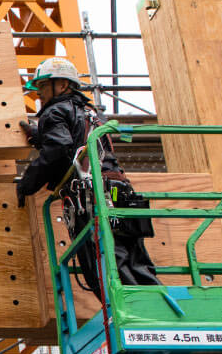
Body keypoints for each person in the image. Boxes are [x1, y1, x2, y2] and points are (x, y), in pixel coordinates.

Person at [15, 57, 159, 298]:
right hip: (118, 191)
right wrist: (39, 136)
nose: (38, 93)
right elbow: (78, 143)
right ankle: (155, 310)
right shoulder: (92, 114)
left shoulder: (54, 112)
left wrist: (26, 185)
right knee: (134, 259)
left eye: (42, 86)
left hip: (90, 196)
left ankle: (129, 316)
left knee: (102, 265)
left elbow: (59, 149)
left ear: (61, 85)